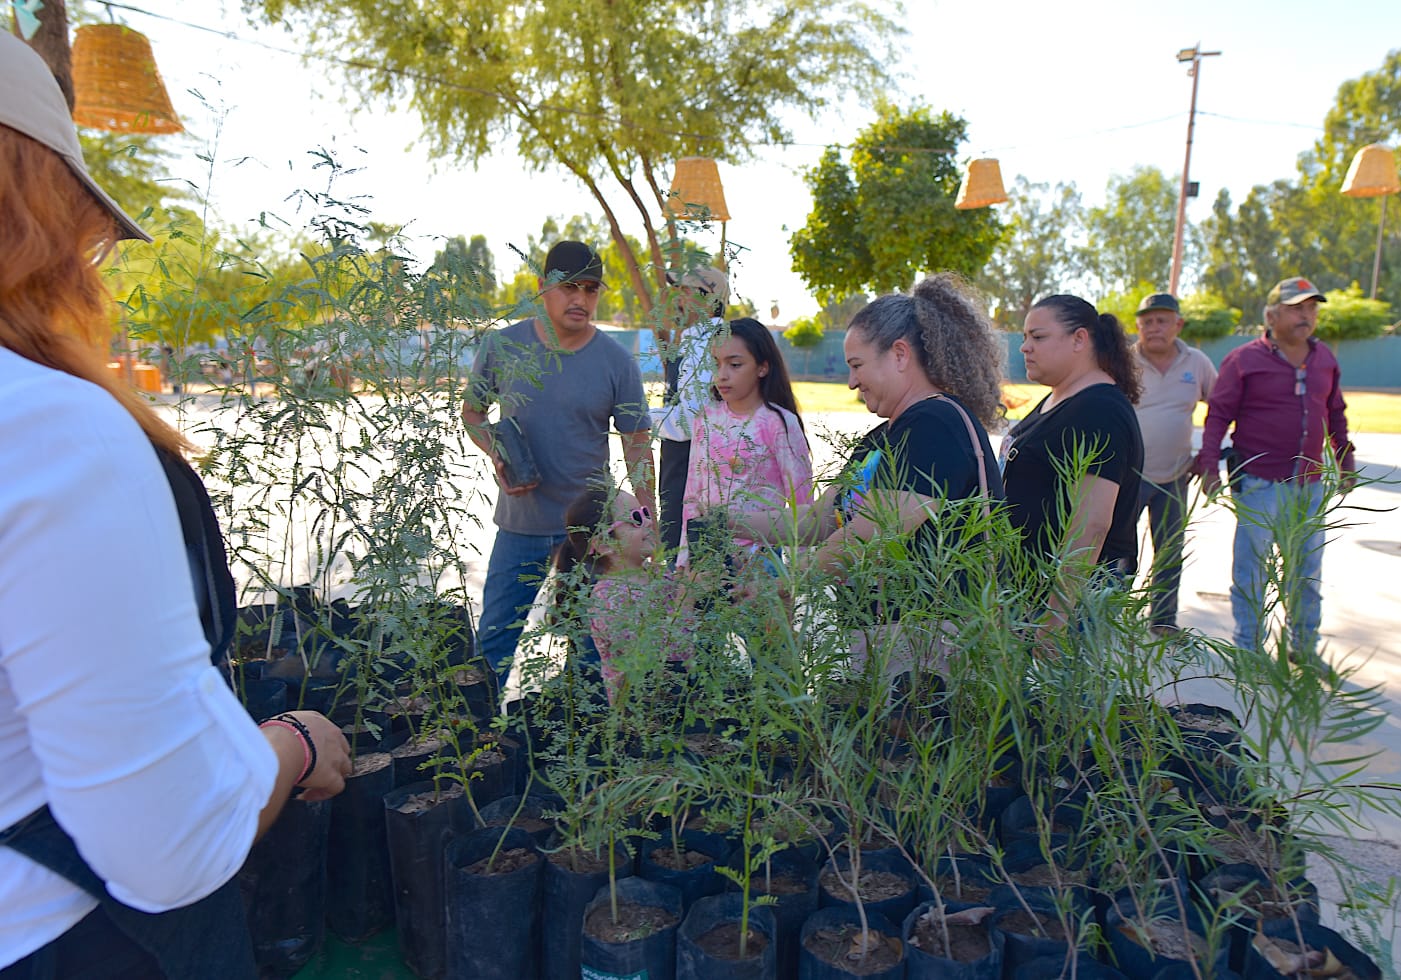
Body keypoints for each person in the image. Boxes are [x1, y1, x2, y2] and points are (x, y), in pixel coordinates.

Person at [0, 34, 350, 977]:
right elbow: (167, 847)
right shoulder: (47, 431)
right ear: (41, 209)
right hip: (56, 935)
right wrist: (291, 747)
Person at [729, 274, 1006, 591]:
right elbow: (818, 520)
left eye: (857, 365)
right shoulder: (882, 437)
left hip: (929, 632)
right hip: (881, 633)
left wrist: (779, 583)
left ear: (900, 354)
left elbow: (870, 533)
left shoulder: (935, 425)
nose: (851, 382)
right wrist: (727, 521)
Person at [463, 241, 655, 690]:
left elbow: (638, 446)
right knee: (493, 647)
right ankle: (486, 747)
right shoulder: (502, 346)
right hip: (521, 523)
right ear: (541, 288)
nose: (580, 299)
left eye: (590, 290)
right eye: (569, 287)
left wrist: (648, 522)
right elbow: (473, 414)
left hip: (593, 535)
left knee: (594, 657)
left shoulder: (615, 361)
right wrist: (498, 454)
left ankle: (587, 748)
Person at [1198, 277, 1355, 660]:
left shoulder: (1324, 359)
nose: (1307, 315)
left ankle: (1303, 648)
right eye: (1297, 308)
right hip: (1258, 483)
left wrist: (1345, 461)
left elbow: (1335, 413)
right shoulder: (1244, 360)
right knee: (1252, 573)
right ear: (1271, 315)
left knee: (1306, 572)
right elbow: (1218, 416)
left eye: (1312, 308)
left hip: (1309, 485)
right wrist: (1208, 467)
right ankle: (1249, 651)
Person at [1001, 294, 1144, 631]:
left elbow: (1092, 524)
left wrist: (1057, 616)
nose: (1025, 347)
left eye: (1038, 337)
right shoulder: (1061, 396)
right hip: (1031, 587)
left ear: (1080, 339)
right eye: (1024, 338)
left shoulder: (1099, 410)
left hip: (1068, 599)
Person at [681, 317, 813, 564]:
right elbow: (692, 494)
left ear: (762, 368)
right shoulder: (705, 420)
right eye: (716, 364)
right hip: (706, 557)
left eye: (735, 364)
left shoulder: (777, 423)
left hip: (759, 559)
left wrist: (800, 571)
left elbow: (803, 502)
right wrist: (684, 558)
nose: (722, 375)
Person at [552, 488, 694, 702]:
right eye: (635, 519)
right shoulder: (609, 600)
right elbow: (660, 657)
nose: (648, 522)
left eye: (646, 513)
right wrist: (687, 598)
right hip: (642, 717)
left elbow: (692, 625)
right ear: (604, 543)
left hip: (678, 702)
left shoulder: (657, 574)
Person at [1130, 292, 1217, 635]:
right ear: (1138, 326)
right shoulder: (1124, 361)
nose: (1154, 328)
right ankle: (1107, 613)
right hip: (1129, 475)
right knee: (1119, 550)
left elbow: (1221, 407)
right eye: (1146, 321)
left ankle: (1163, 621)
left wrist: (1208, 456)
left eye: (1162, 320)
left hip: (1176, 475)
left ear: (1178, 324)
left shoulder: (1197, 363)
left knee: (1169, 551)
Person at [653, 266, 729, 554]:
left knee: (684, 575)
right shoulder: (704, 339)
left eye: (685, 291)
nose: (678, 299)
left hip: (690, 481)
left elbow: (688, 423)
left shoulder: (702, 344)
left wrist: (634, 416)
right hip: (695, 477)